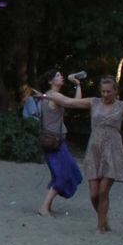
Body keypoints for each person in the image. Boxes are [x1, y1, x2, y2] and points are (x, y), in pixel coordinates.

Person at [37, 75, 123, 233]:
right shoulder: (94, 102)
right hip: (94, 149)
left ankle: (100, 228)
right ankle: (103, 219)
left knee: (103, 191)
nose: (105, 94)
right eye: (103, 91)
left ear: (115, 91)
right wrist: (46, 96)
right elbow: (69, 102)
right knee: (94, 195)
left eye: (109, 91)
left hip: (112, 150)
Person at [35, 70, 85, 217]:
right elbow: (76, 103)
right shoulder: (54, 96)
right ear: (51, 81)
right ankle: (44, 208)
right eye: (57, 76)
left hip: (52, 141)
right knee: (65, 175)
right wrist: (77, 85)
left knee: (65, 173)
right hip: (55, 142)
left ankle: (46, 206)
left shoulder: (48, 95)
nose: (61, 77)